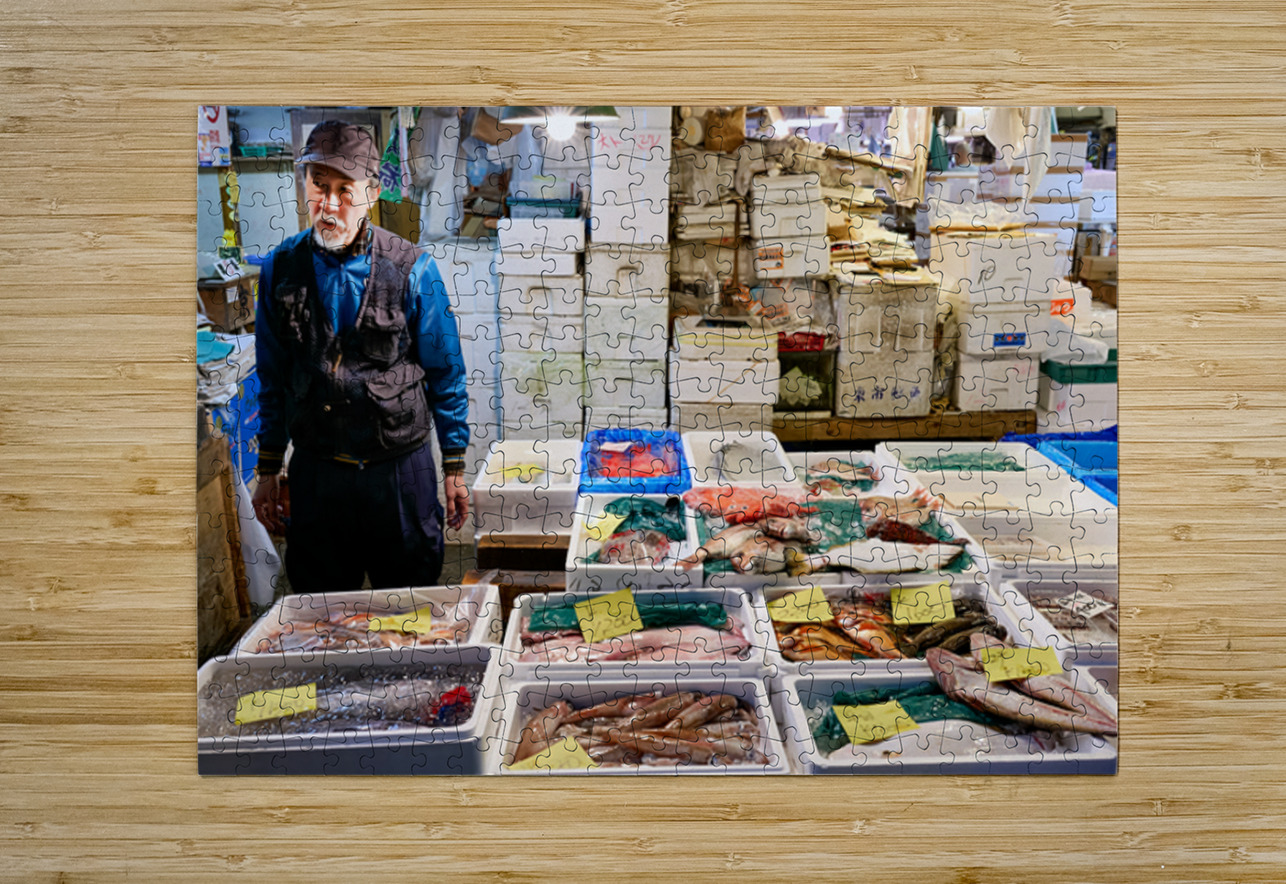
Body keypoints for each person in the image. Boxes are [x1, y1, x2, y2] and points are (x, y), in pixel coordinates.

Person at [251, 120, 470, 593]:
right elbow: (271, 376)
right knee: (322, 618)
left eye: (344, 190)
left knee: (413, 609)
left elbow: (446, 373)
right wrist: (268, 469)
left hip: (398, 472)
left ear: (371, 193)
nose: (329, 204)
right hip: (318, 473)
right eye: (319, 186)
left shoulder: (415, 268)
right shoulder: (279, 269)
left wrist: (454, 467)